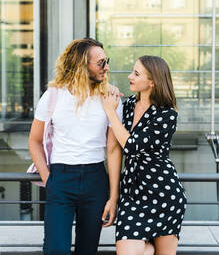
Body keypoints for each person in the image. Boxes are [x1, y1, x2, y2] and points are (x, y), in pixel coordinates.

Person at [28, 38, 123, 255]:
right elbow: (34, 141)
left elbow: (113, 149)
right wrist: (48, 179)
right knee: (56, 249)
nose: (106, 67)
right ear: (82, 64)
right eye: (100, 62)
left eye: (106, 61)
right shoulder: (52, 96)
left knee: (87, 251)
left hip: (95, 179)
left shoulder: (110, 98)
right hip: (60, 179)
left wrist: (113, 197)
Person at [101, 55, 187, 255]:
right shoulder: (129, 104)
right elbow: (114, 146)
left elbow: (132, 147)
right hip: (132, 195)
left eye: (136, 74)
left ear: (152, 82)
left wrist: (111, 112)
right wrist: (114, 198)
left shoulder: (167, 115)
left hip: (164, 195)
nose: (130, 76)